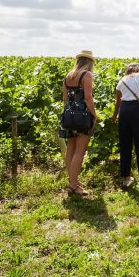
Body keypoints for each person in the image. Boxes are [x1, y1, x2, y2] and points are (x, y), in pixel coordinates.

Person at [60, 50, 98, 196]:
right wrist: (95, 115)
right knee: (80, 151)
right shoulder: (86, 75)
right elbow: (88, 98)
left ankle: (72, 182)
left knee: (70, 148)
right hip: (82, 116)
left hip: (68, 115)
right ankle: (73, 185)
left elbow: (65, 99)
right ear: (89, 62)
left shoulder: (68, 76)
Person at [112, 63, 139, 189]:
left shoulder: (122, 80)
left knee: (125, 144)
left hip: (124, 111)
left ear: (127, 71)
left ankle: (126, 178)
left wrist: (114, 116)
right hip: (137, 110)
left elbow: (118, 102)